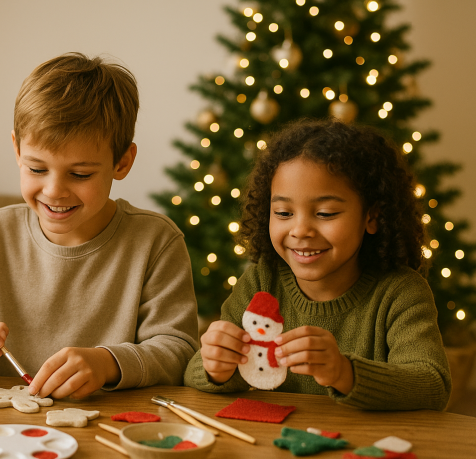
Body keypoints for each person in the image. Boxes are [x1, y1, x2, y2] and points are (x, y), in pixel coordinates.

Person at [0, 52, 199, 399]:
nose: (53, 191)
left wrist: (107, 362)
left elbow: (178, 350)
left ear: (122, 162)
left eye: (80, 174)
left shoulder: (157, 241)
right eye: (36, 169)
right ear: (17, 150)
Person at [184, 118, 451, 410]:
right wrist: (214, 368)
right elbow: (195, 375)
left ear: (371, 217)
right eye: (284, 213)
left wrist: (343, 372)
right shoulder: (260, 283)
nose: (300, 230)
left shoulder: (400, 292)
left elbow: (432, 385)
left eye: (325, 213)